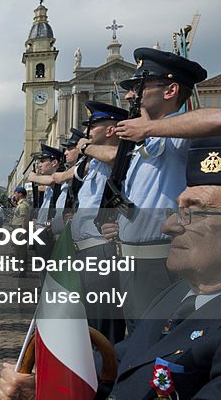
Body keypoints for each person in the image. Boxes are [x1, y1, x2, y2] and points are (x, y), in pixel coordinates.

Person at [0, 137, 221, 399]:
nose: (168, 227)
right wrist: (52, 383)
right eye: (175, 210)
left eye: (192, 213)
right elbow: (129, 360)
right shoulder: (187, 291)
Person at [91, 47, 221, 328]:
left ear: (169, 91)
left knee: (157, 342)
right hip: (130, 261)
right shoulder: (143, 140)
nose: (130, 95)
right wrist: (120, 225)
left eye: (139, 87)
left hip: (162, 263)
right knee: (136, 337)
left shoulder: (174, 135)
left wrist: (149, 129)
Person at [73, 101, 131, 344]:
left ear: (110, 130)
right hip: (87, 250)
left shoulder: (113, 156)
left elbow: (117, 156)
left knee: (105, 327)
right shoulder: (94, 162)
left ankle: (107, 375)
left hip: (103, 250)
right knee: (91, 322)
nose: (88, 132)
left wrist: (86, 148)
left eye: (93, 126)